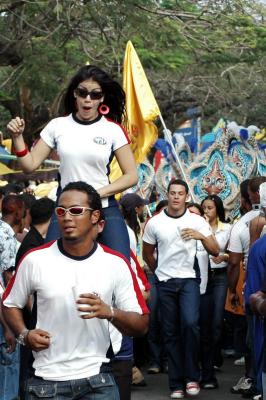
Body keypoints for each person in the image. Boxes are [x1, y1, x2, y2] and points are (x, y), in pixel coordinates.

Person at [3, 181, 149, 400]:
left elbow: (141, 324)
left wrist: (110, 312)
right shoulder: (35, 260)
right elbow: (10, 303)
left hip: (98, 378)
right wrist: (24, 335)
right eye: (61, 211)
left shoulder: (116, 263)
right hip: (45, 383)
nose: (67, 217)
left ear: (95, 218)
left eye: (76, 211)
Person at [7, 64, 138, 261]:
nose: (88, 99)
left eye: (95, 95)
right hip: (65, 208)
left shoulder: (113, 130)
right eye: (82, 92)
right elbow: (29, 165)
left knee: (122, 263)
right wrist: (17, 137)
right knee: (51, 264)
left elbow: (131, 176)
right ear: (74, 94)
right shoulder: (57, 126)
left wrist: (95, 193)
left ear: (102, 98)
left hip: (103, 207)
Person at [143, 179, 219, 399]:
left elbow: (215, 251)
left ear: (186, 197)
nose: (176, 197)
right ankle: (176, 383)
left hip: (188, 281)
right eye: (172, 193)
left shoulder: (196, 220)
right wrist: (160, 271)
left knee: (190, 324)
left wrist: (201, 236)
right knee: (170, 332)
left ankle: (192, 377)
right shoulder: (154, 222)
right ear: (167, 195)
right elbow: (147, 252)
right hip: (165, 283)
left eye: (180, 193)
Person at [228, 177, 266, 398]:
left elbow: (236, 262)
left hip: (256, 297)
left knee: (255, 341)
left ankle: (254, 380)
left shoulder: (249, 226)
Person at [199, 195, 231, 389]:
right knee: (202, 321)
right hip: (202, 275)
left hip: (219, 276)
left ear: (217, 209)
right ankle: (206, 360)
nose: (206, 211)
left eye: (210, 208)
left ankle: (215, 355)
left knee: (217, 320)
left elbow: (233, 253)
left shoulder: (227, 229)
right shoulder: (197, 227)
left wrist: (224, 257)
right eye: (204, 207)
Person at [0, 194, 26, 400]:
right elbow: (7, 281)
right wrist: (10, 323)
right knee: (9, 362)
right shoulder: (7, 236)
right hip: (3, 312)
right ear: (18, 213)